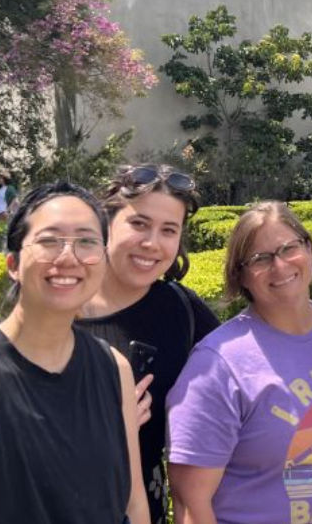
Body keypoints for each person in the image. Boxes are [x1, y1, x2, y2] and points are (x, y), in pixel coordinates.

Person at [0, 180, 148, 524]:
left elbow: (133, 504)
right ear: (13, 263)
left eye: (87, 241)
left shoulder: (115, 368)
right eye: (49, 241)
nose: (69, 257)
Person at [166, 201, 312, 524]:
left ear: (310, 250)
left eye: (289, 248)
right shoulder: (217, 365)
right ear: (240, 276)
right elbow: (191, 503)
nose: (280, 265)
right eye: (260, 259)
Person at [77, 164, 221, 524]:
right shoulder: (56, 305)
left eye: (168, 230)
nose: (152, 243)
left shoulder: (183, 312)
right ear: (105, 223)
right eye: (139, 224)